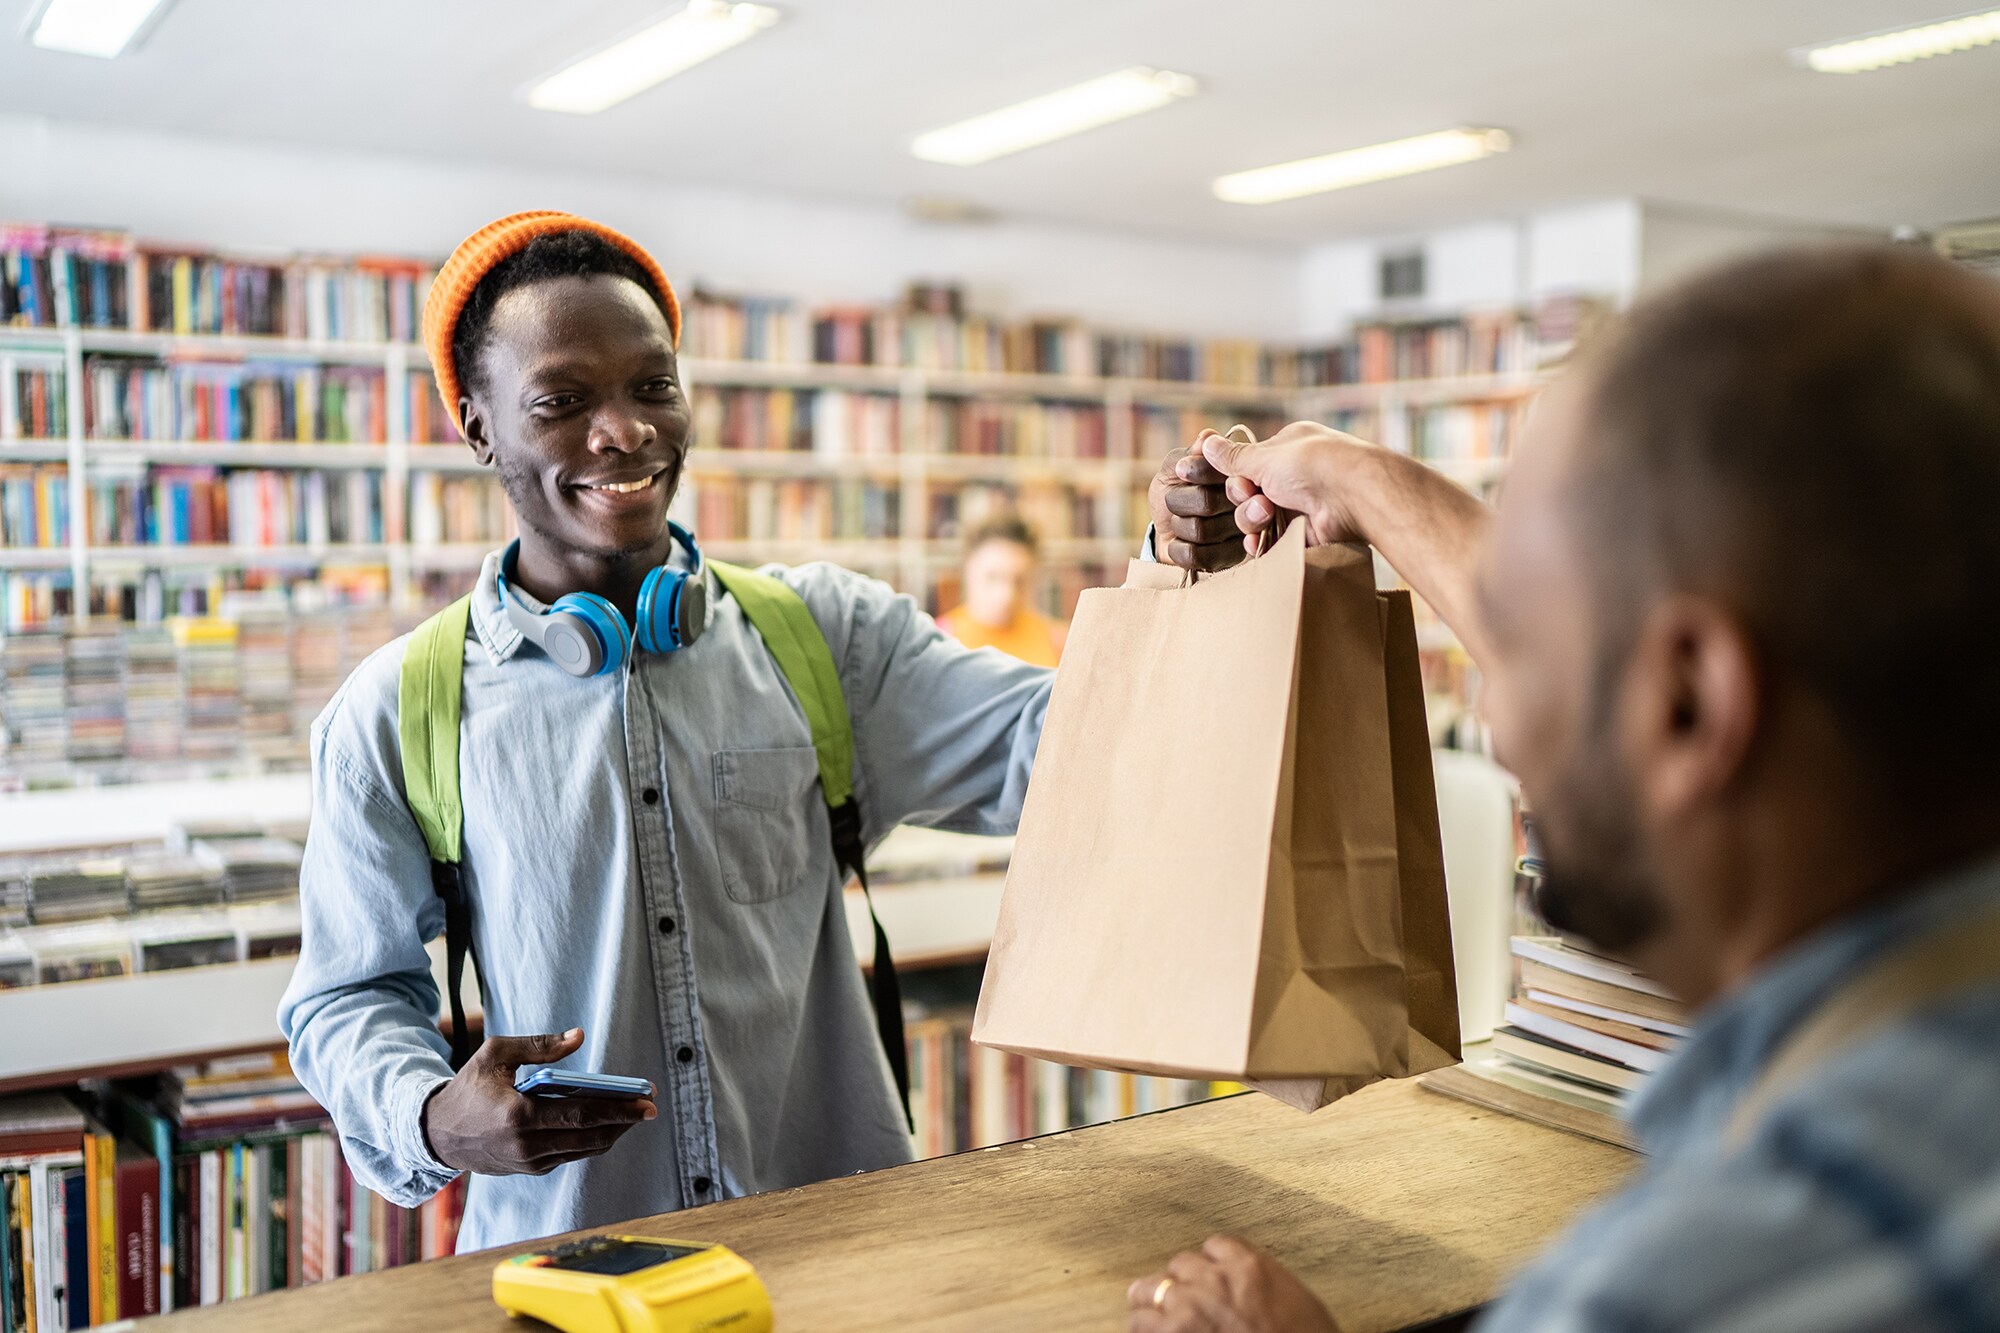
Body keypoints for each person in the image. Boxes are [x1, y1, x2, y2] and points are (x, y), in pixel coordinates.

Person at [278, 211, 1244, 1252]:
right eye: (562, 401)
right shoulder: (393, 712)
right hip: (575, 1272)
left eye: (652, 385)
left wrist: (1169, 567)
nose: (623, 430)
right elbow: (347, 995)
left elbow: (1068, 747)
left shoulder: (825, 636)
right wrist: (432, 1115)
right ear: (477, 429)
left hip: (845, 1257)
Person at [1126, 245, 2000, 1331]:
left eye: (1526, 637)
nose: (1495, 728)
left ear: (1687, 703)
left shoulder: (1678, 1288)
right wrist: (1359, 480)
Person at [936, 515, 1066, 666]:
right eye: (993, 577)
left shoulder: (1058, 641)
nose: (1006, 595)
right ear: (967, 569)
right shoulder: (937, 641)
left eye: (1019, 581)